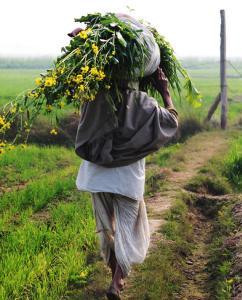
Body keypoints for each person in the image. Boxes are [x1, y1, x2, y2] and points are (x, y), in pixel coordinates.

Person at [72, 14, 179, 300]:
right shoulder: (144, 103)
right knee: (128, 228)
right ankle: (117, 283)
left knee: (107, 229)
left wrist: (82, 38)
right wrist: (165, 93)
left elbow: (79, 84)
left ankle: (115, 278)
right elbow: (170, 123)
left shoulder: (94, 97)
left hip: (96, 175)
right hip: (127, 179)